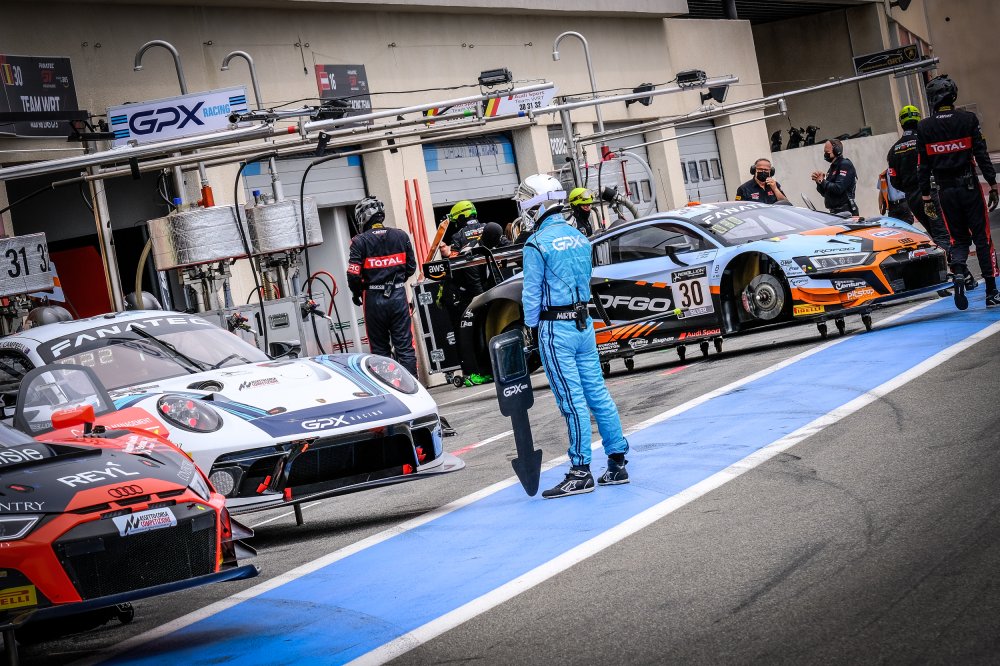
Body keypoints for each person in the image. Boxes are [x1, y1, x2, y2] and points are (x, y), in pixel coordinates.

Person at [516, 173, 630, 499]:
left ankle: (580, 471)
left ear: (537, 206)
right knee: (598, 394)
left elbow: (531, 294)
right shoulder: (580, 237)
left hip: (556, 328)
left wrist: (530, 329)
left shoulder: (536, 244)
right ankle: (617, 462)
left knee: (572, 401)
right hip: (584, 325)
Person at [917, 74, 1000, 309]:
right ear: (952, 96)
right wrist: (993, 184)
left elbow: (922, 166)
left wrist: (926, 197)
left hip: (945, 192)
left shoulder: (925, 127)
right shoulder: (968, 120)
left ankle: (961, 273)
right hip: (969, 188)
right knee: (982, 239)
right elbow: (981, 155)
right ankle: (991, 292)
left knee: (959, 240)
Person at [347, 195, 418, 376]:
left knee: (379, 351)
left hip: (373, 299)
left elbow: (353, 274)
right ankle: (414, 386)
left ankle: (387, 387)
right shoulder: (401, 235)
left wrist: (356, 292)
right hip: (398, 296)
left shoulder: (359, 241)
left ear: (363, 217)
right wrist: (396, 281)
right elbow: (411, 267)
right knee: (405, 347)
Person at [886, 105, 951, 252]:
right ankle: (953, 263)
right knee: (942, 233)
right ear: (919, 120)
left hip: (912, 198)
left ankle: (944, 260)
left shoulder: (893, 150)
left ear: (901, 124)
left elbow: (894, 181)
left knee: (933, 233)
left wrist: (910, 189)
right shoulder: (926, 141)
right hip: (931, 193)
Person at [811, 139, 858, 215]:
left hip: (846, 212)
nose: (825, 154)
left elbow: (838, 188)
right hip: (835, 212)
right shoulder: (832, 168)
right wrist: (819, 182)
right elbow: (825, 193)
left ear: (837, 151)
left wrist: (822, 181)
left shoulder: (845, 164)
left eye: (827, 152)